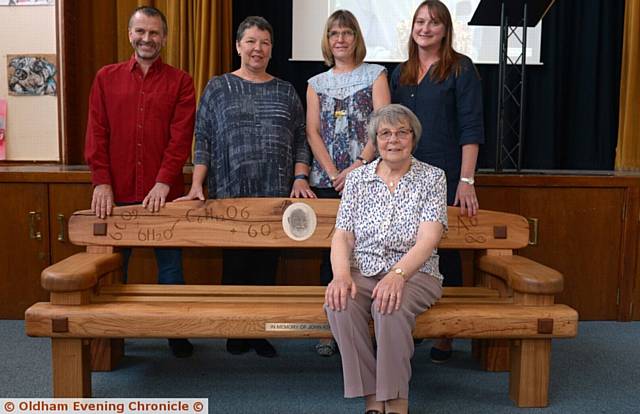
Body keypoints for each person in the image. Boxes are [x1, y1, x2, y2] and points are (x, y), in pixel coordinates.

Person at [177, 16, 314, 358]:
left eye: (265, 43)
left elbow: (301, 138)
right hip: (230, 194)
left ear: (271, 49)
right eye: (251, 41)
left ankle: (260, 332)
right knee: (236, 267)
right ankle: (235, 332)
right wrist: (197, 184)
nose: (258, 48)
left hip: (276, 197)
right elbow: (204, 139)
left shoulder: (285, 90)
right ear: (238, 46)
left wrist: (300, 177)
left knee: (266, 268)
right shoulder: (218, 87)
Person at [84, 6, 195, 358]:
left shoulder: (181, 81)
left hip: (164, 196)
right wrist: (101, 182)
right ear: (130, 35)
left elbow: (180, 139)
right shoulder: (106, 77)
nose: (147, 39)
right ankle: (112, 336)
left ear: (164, 37)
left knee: (171, 268)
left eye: (154, 33)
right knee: (113, 268)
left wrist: (164, 182)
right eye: (141, 32)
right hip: (115, 196)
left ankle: (176, 332)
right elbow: (96, 132)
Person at [325, 104, 447, 414]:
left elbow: (429, 239)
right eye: (385, 133)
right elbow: (343, 235)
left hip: (416, 273)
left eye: (401, 132)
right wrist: (341, 275)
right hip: (363, 269)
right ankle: (371, 397)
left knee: (388, 305)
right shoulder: (357, 180)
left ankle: (395, 401)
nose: (393, 140)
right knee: (339, 302)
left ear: (413, 138)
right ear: (375, 140)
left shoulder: (432, 178)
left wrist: (398, 274)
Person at [390, 0, 484, 363]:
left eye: (433, 22)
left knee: (447, 251)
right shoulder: (400, 74)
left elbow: (471, 128)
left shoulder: (461, 69)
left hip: (447, 176)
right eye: (419, 21)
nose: (425, 28)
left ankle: (446, 334)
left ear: (446, 29)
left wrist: (466, 179)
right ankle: (411, 327)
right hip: (406, 177)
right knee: (406, 249)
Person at [306, 9, 390, 356]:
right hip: (327, 181)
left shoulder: (376, 75)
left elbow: (384, 124)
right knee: (332, 256)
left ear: (357, 38)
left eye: (347, 33)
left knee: (368, 252)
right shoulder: (315, 83)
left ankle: (371, 326)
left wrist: (358, 166)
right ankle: (331, 328)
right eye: (334, 34)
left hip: (369, 177)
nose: (340, 39)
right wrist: (332, 172)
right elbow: (312, 131)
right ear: (327, 41)